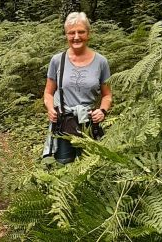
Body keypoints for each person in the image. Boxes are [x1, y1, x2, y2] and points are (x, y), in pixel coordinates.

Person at [43, 12, 112, 164]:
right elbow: (48, 92)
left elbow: (107, 95)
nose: (76, 37)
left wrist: (102, 111)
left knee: (90, 168)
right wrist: (50, 108)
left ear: (88, 34)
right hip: (63, 123)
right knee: (63, 166)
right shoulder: (57, 61)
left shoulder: (101, 62)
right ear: (66, 35)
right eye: (71, 33)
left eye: (81, 32)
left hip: (89, 123)